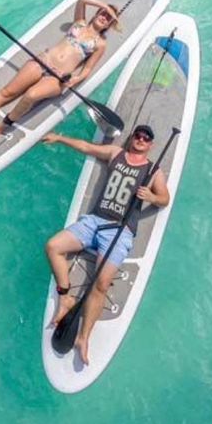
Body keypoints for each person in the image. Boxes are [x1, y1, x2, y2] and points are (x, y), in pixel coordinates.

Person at [43, 125, 170, 365]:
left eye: (146, 138)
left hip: (120, 232)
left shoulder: (153, 170)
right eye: (138, 136)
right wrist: (60, 138)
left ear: (150, 145)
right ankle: (65, 297)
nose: (141, 140)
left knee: (100, 284)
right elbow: (87, 147)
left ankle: (83, 337)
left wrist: (151, 197)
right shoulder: (115, 153)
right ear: (132, 138)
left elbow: (164, 198)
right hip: (94, 221)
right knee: (53, 246)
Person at [0, 0, 120, 138]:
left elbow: (87, 70)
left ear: (109, 25)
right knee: (8, 92)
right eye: (103, 13)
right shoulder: (80, 22)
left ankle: (5, 123)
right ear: (97, 13)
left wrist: (75, 80)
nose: (104, 17)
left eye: (108, 18)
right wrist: (105, 6)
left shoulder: (100, 44)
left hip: (58, 77)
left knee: (31, 95)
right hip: (43, 60)